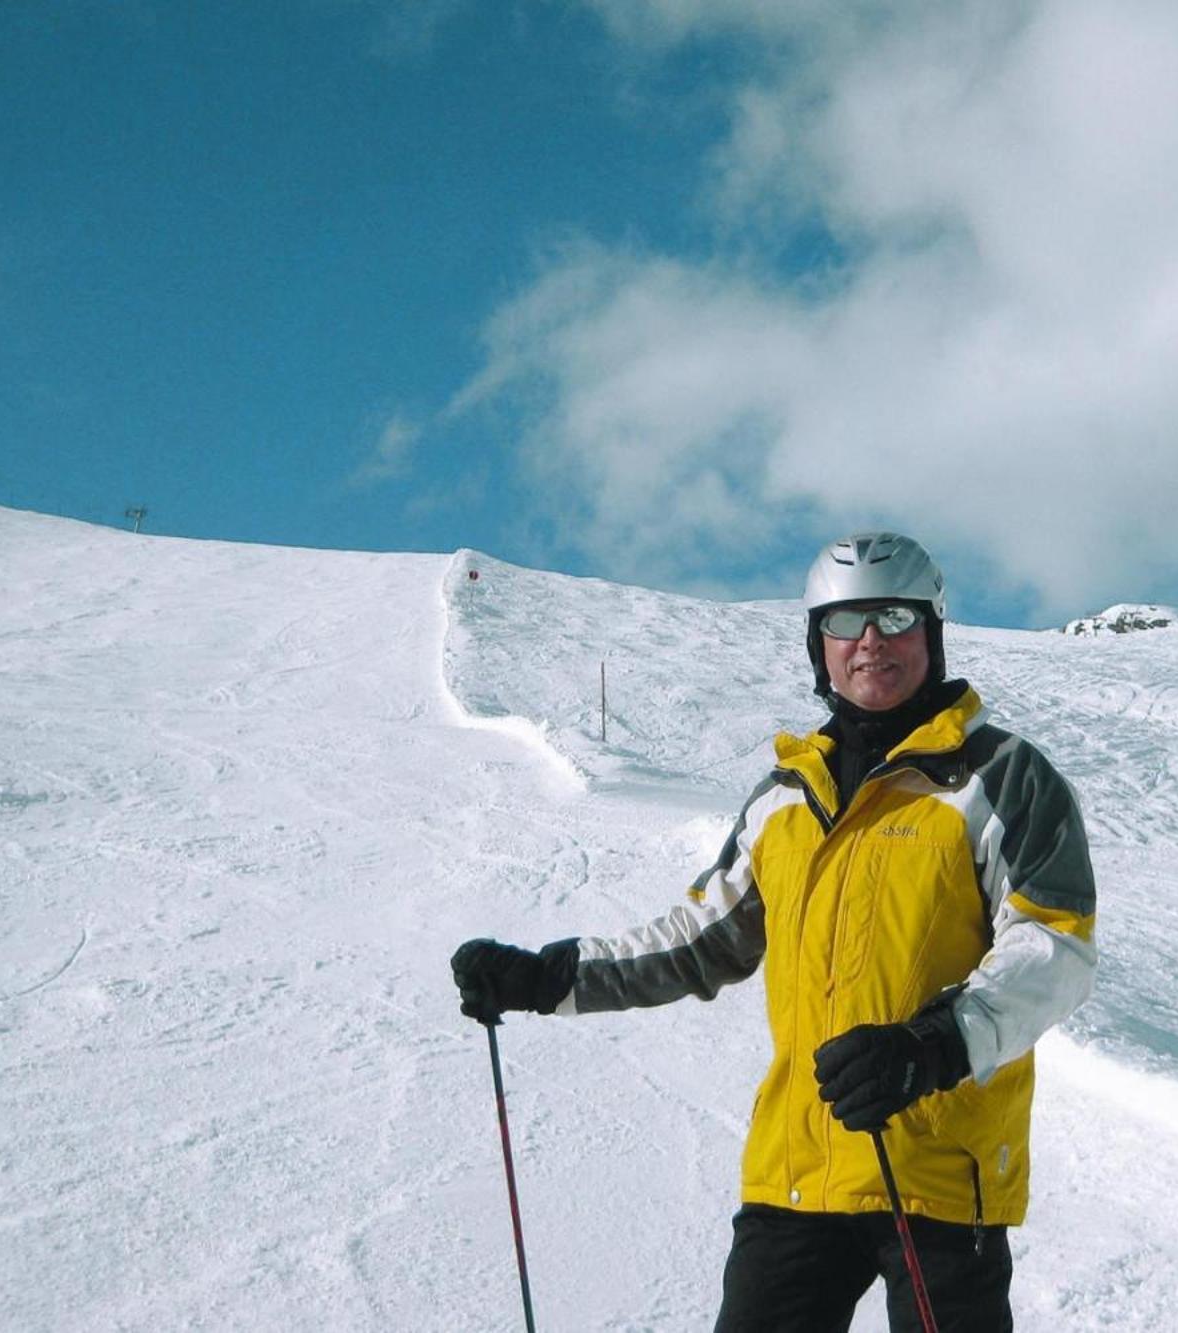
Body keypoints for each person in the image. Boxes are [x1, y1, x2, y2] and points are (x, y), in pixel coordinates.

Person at [451, 531, 1098, 1332]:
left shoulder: (998, 776)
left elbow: (1055, 947)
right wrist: (550, 977)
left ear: (931, 630)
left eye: (894, 615)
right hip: (799, 1166)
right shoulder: (783, 800)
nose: (871, 641)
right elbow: (699, 938)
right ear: (816, 643)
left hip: (938, 1166)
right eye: (845, 621)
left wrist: (932, 1046)